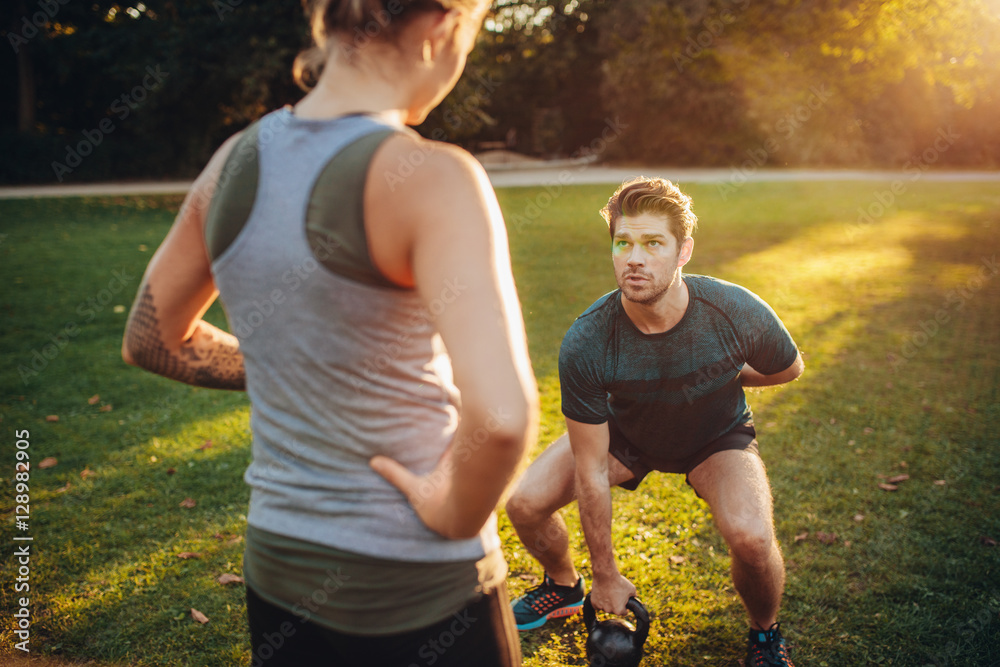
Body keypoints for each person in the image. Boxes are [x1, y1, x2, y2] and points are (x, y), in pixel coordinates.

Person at [121, 1, 538, 665]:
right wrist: (451, 508)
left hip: (279, 569)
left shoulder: (232, 161)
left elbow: (150, 337)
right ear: (438, 31)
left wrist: (298, 365)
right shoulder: (435, 176)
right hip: (420, 584)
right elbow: (505, 419)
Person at [504, 177, 803, 666]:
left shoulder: (733, 309)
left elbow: (788, 367)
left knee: (751, 537)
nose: (634, 258)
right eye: (623, 243)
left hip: (714, 437)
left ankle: (765, 634)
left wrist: (723, 379)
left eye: (652, 243)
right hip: (628, 433)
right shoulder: (588, 340)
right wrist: (605, 573)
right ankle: (563, 586)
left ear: (683, 251)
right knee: (525, 504)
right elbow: (591, 470)